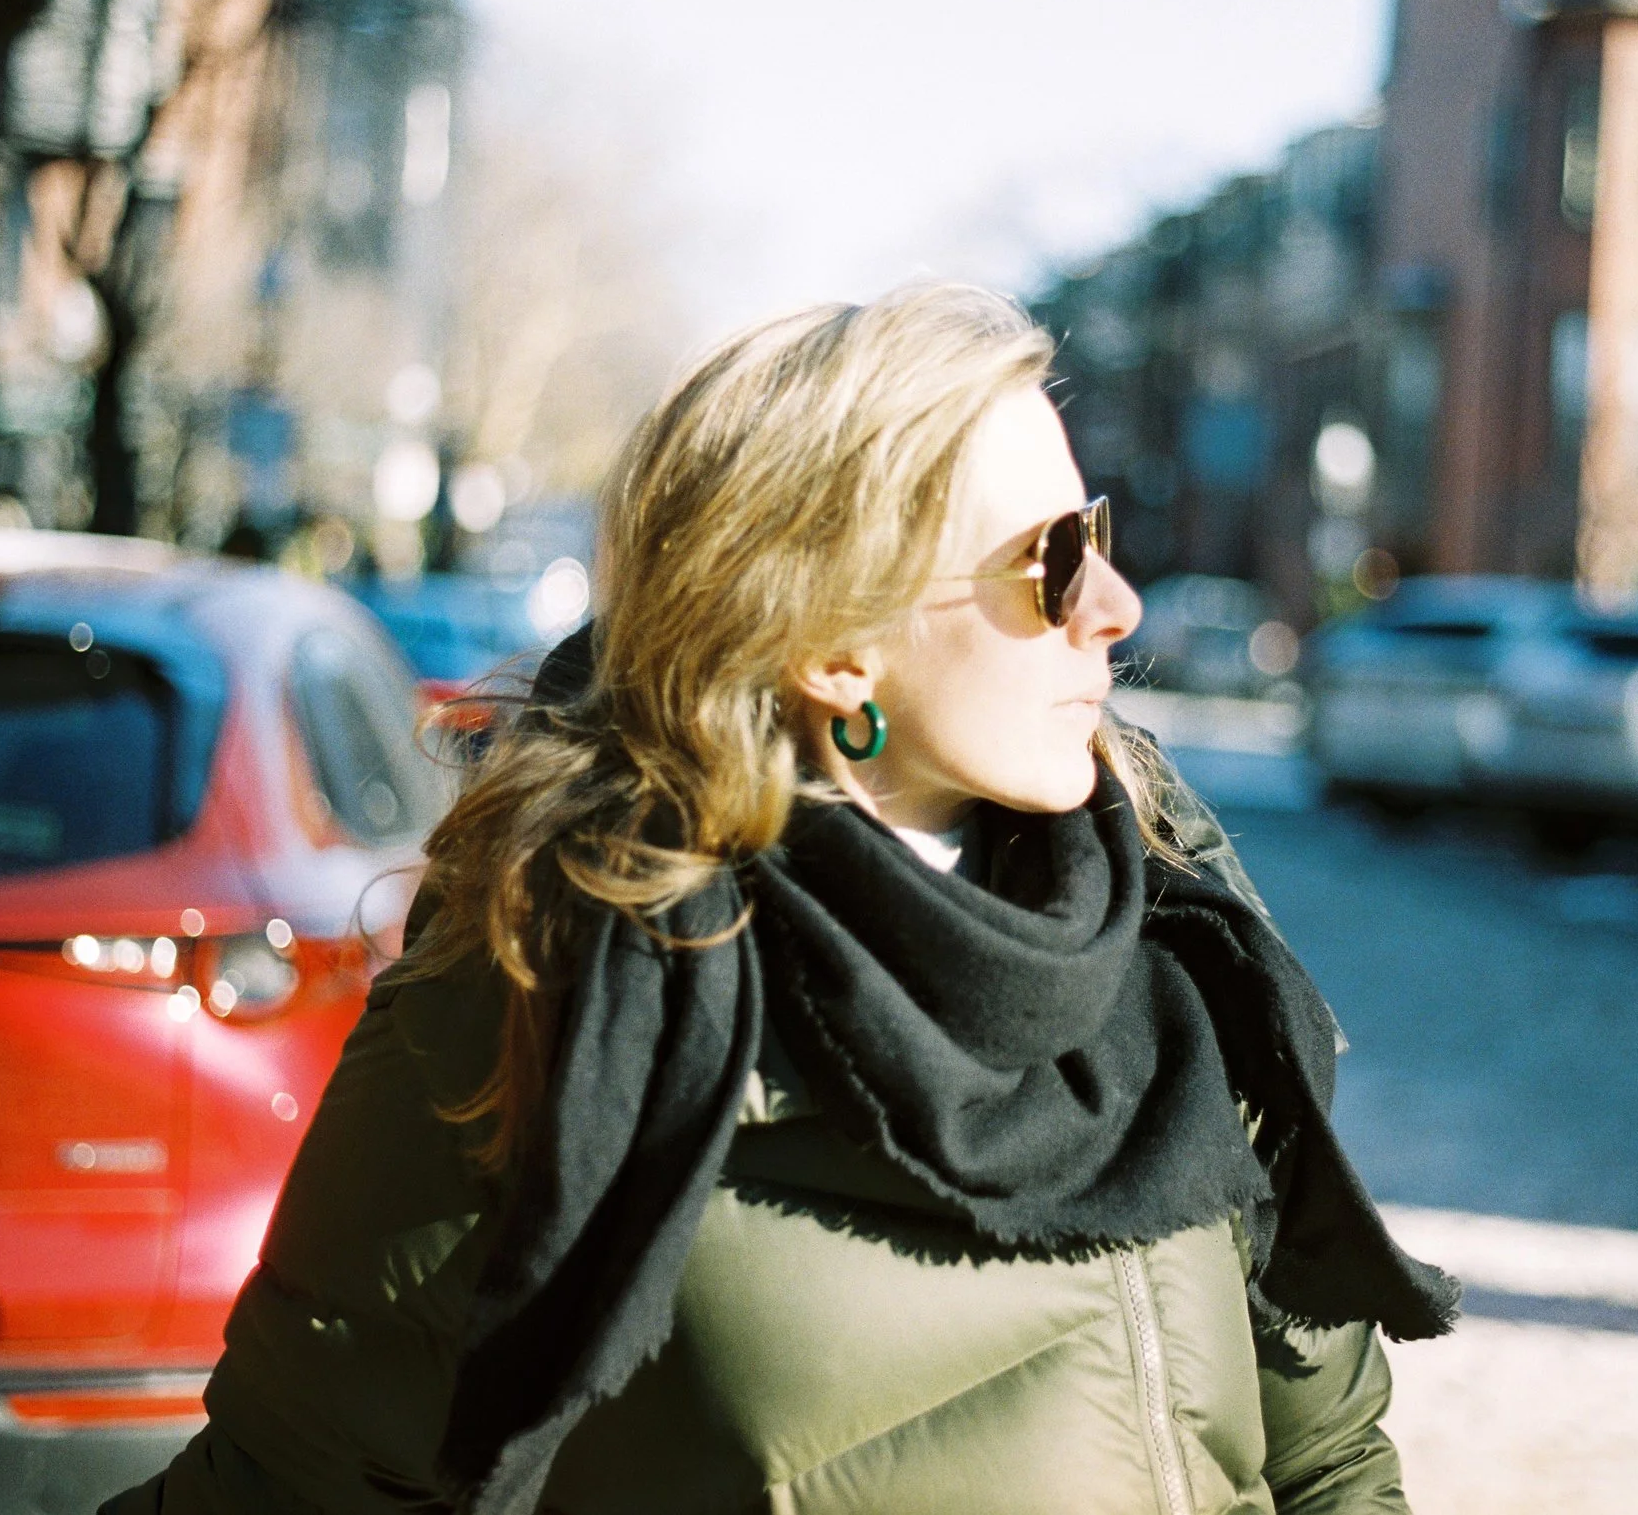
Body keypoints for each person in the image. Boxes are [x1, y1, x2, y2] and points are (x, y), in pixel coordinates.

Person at [104, 284, 1455, 1515]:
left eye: (1095, 538)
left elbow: (1329, 1461)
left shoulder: (1178, 932)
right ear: (834, 649)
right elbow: (288, 1490)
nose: (1115, 603)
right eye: (1050, 562)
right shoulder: (562, 983)